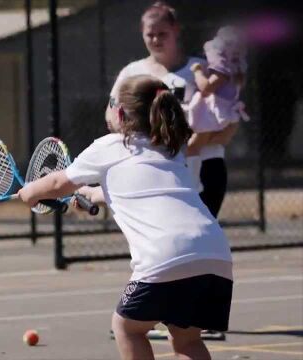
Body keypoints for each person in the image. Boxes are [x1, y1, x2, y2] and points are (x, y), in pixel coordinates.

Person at [19, 75, 233, 360]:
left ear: (119, 112)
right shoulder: (170, 147)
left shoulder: (111, 145)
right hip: (215, 254)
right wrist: (94, 195)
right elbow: (140, 186)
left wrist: (30, 192)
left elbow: (58, 183)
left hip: (166, 256)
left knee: (126, 328)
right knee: (186, 340)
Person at [109, 1, 238, 339]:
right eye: (149, 34)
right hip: (156, 179)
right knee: (154, 245)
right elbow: (114, 120)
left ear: (176, 31)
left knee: (195, 245)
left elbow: (224, 124)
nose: (155, 40)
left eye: (161, 33)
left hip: (201, 171)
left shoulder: (201, 72)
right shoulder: (132, 74)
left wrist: (183, 149)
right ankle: (152, 316)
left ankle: (200, 321)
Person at [186, 25, 249, 190]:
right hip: (227, 112)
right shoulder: (237, 69)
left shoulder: (222, 72)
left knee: (192, 146)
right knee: (210, 143)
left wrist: (198, 71)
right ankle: (196, 179)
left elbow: (206, 88)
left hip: (215, 112)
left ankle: (192, 183)